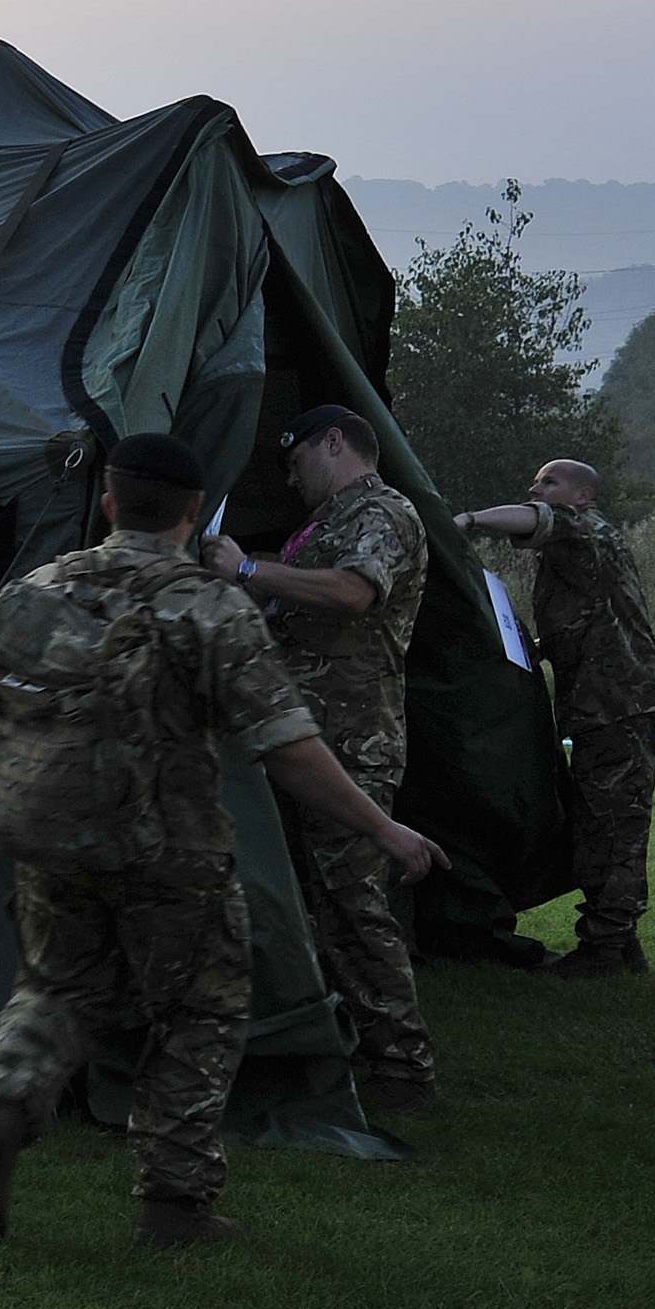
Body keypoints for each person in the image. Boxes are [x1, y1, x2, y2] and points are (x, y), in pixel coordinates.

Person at [0, 433, 447, 1250]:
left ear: (108, 503)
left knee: (53, 988)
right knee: (198, 1011)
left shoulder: (41, 586)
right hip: (168, 852)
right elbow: (288, 747)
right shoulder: (205, 605)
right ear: (192, 515)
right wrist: (383, 827)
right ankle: (174, 1206)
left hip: (50, 841)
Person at [202, 403, 437, 1113]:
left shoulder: (381, 512)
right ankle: (348, 1049)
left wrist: (248, 567)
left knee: (354, 908)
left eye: (297, 459)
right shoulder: (329, 523)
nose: (292, 476)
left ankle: (403, 1066)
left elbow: (354, 591)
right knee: (321, 906)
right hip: (312, 739)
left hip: (352, 742)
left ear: (334, 443)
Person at [455, 457, 655, 976]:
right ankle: (619, 943)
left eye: (549, 483)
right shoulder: (573, 551)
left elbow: (532, 518)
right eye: (534, 483)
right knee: (603, 821)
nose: (537, 491)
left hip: (620, 705)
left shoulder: (587, 528)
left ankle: (605, 950)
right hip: (607, 705)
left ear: (582, 497)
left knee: (615, 825)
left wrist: (468, 521)